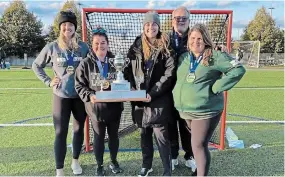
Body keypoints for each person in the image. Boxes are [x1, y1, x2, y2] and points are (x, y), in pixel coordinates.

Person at [173, 23, 246, 176]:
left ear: (206, 39)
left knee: (198, 145)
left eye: (199, 38)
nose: (195, 41)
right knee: (197, 145)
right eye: (192, 38)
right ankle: (199, 171)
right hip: (187, 111)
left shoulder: (214, 55)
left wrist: (216, 87)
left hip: (206, 110)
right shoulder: (184, 58)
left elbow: (238, 69)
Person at [32, 10, 89, 177]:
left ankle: (75, 161)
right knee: (60, 132)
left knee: (79, 130)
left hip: (79, 96)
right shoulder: (52, 47)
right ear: (60, 28)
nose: (67, 28)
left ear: (75, 27)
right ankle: (60, 170)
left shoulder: (84, 47)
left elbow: (93, 66)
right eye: (64, 25)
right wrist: (49, 81)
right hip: (61, 96)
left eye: (70, 25)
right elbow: (36, 65)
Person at [125, 11, 176, 177]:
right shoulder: (136, 45)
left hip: (158, 99)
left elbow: (169, 73)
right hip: (139, 99)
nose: (150, 27)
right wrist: (131, 88)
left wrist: (152, 93)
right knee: (143, 134)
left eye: (154, 24)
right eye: (147, 24)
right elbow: (126, 70)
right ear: (143, 26)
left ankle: (167, 169)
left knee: (161, 137)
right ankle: (146, 166)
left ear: (158, 26)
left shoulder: (166, 45)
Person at [74, 27, 123, 176]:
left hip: (114, 108)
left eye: (103, 43)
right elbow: (79, 85)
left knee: (114, 136)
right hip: (96, 109)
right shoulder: (85, 63)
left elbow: (124, 80)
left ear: (107, 44)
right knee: (99, 137)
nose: (100, 46)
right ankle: (99, 164)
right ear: (92, 44)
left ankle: (114, 161)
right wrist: (89, 95)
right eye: (96, 43)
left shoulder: (116, 61)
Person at [168, 6, 196, 172]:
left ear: (188, 20)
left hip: (188, 93)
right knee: (170, 125)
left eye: (183, 18)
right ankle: (172, 156)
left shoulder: (195, 38)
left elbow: (208, 51)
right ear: (172, 21)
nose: (180, 21)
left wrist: (220, 49)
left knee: (187, 127)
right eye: (177, 18)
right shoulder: (165, 39)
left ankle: (189, 156)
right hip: (169, 91)